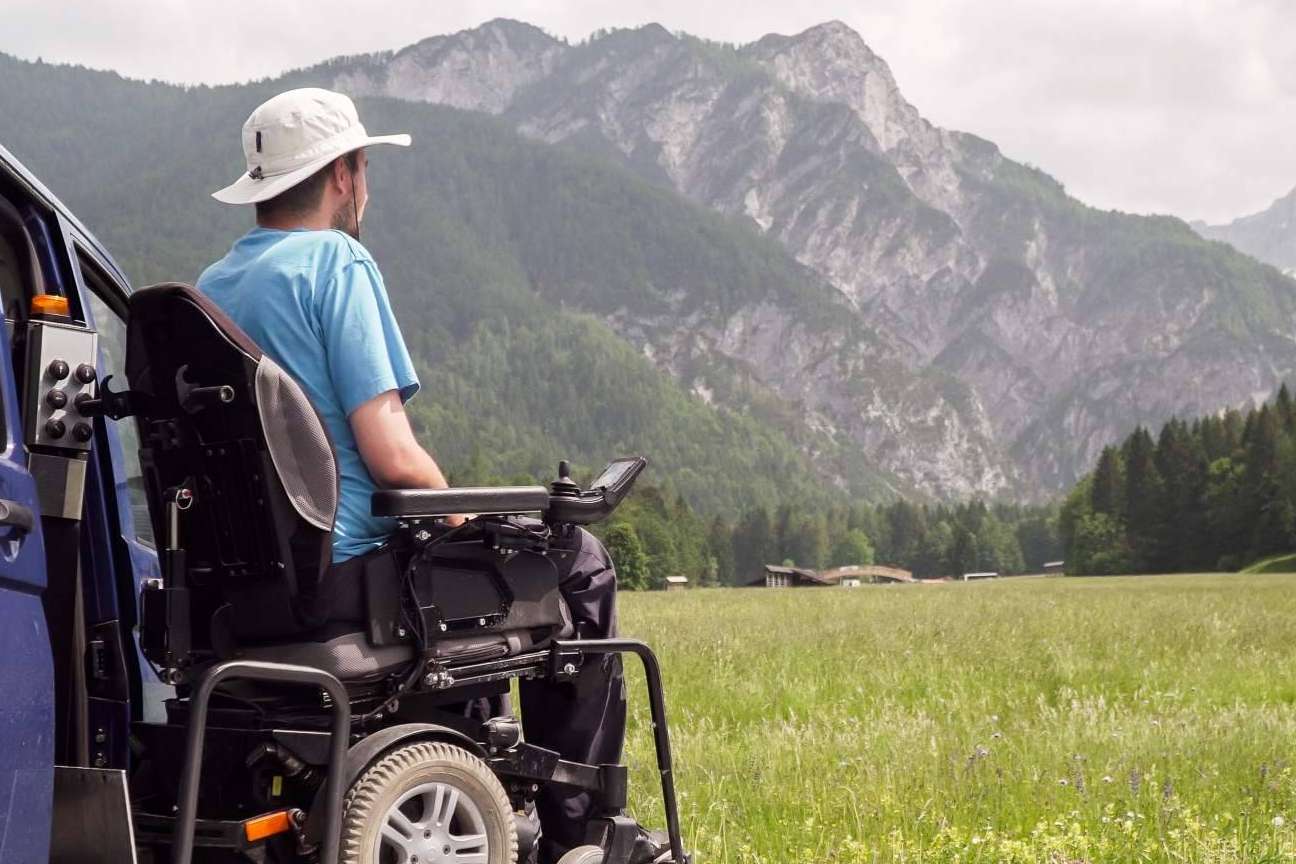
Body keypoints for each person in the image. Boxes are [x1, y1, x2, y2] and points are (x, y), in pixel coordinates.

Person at [197, 88, 636, 863]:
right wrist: (470, 518)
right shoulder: (337, 262)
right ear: (344, 173)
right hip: (346, 579)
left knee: (484, 582)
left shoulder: (209, 290)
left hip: (247, 597)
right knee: (576, 563)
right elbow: (392, 454)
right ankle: (580, 833)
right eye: (364, 167)